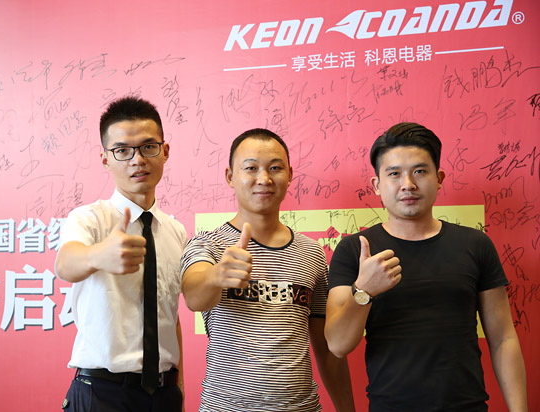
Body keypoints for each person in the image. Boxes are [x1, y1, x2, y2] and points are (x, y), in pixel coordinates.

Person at [325, 122, 528, 412]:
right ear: (377, 185)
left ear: (439, 178)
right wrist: (364, 291)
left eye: (419, 171)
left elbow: (503, 338)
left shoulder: (475, 244)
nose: (407, 184)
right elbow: (337, 345)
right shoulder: (355, 250)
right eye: (394, 174)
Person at [180, 128, 355, 412]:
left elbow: (327, 348)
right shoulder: (207, 244)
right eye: (251, 168)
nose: (264, 179)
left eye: (275, 168)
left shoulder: (312, 253)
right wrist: (216, 276)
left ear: (289, 175)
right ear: (230, 176)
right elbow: (194, 296)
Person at [55, 97, 187, 411]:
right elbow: (66, 263)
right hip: (103, 393)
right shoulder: (88, 219)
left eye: (148, 147)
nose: (137, 160)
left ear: (165, 151)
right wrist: (98, 255)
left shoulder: (176, 231)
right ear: (105, 159)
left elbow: (169, 316)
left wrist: (179, 390)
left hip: (164, 394)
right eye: (122, 151)